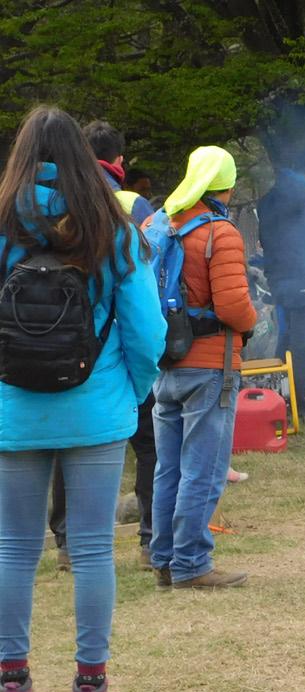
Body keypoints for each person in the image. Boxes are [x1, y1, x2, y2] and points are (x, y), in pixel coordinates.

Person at [0, 106, 166, 692]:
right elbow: (147, 331)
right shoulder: (110, 227)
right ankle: (90, 690)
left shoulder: (2, 223)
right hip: (96, 410)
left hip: (13, 408)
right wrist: (129, 392)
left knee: (14, 549)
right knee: (93, 550)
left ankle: (11, 687)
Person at [48, 120, 161, 572]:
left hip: (51, 355)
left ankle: (64, 541)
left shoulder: (49, 205)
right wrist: (140, 380)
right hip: (114, 362)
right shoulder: (128, 206)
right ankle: (151, 538)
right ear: (120, 161)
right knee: (149, 446)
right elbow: (141, 308)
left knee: (62, 444)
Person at [149, 146, 257, 590]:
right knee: (204, 469)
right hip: (210, 366)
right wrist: (253, 322)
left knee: (168, 468)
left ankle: (163, 560)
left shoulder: (159, 225)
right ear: (226, 186)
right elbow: (233, 307)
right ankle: (191, 564)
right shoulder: (220, 232)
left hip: (165, 365)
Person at [257, 145, 305, 419]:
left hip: (278, 280)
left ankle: (277, 401)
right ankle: (295, 406)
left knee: (286, 339)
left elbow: (265, 240)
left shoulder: (268, 199)